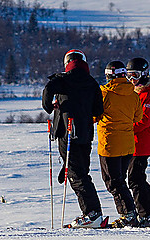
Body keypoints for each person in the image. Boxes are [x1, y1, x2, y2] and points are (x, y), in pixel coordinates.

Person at [42, 49, 105, 228]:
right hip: (85, 133)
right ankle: (94, 213)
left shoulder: (62, 79)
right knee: (82, 172)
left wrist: (51, 106)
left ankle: (92, 214)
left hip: (66, 131)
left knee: (76, 175)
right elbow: (98, 111)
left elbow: (47, 90)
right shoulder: (92, 82)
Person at [96, 60, 143, 228]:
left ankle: (128, 215)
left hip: (110, 144)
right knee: (120, 181)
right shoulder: (134, 94)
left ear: (109, 76)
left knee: (113, 182)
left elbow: (94, 115)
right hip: (128, 145)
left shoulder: (104, 93)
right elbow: (138, 118)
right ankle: (130, 213)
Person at [126, 56, 150, 228]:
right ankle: (147, 214)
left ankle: (148, 215)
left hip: (141, 143)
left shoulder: (148, 94)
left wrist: (124, 129)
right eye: (128, 76)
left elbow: (144, 121)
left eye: (134, 75)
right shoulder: (132, 93)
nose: (131, 80)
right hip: (130, 143)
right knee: (134, 179)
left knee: (136, 179)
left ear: (144, 74)